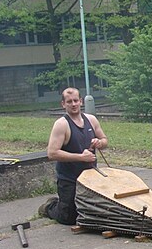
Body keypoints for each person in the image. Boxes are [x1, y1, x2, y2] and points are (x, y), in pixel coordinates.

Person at [39, 87, 108, 225]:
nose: (73, 104)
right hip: (69, 179)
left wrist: (99, 142)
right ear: (63, 104)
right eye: (69, 101)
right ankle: (50, 206)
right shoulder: (61, 125)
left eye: (76, 100)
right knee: (69, 218)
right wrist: (80, 157)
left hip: (90, 178)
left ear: (81, 101)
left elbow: (105, 140)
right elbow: (52, 153)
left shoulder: (91, 120)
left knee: (94, 214)